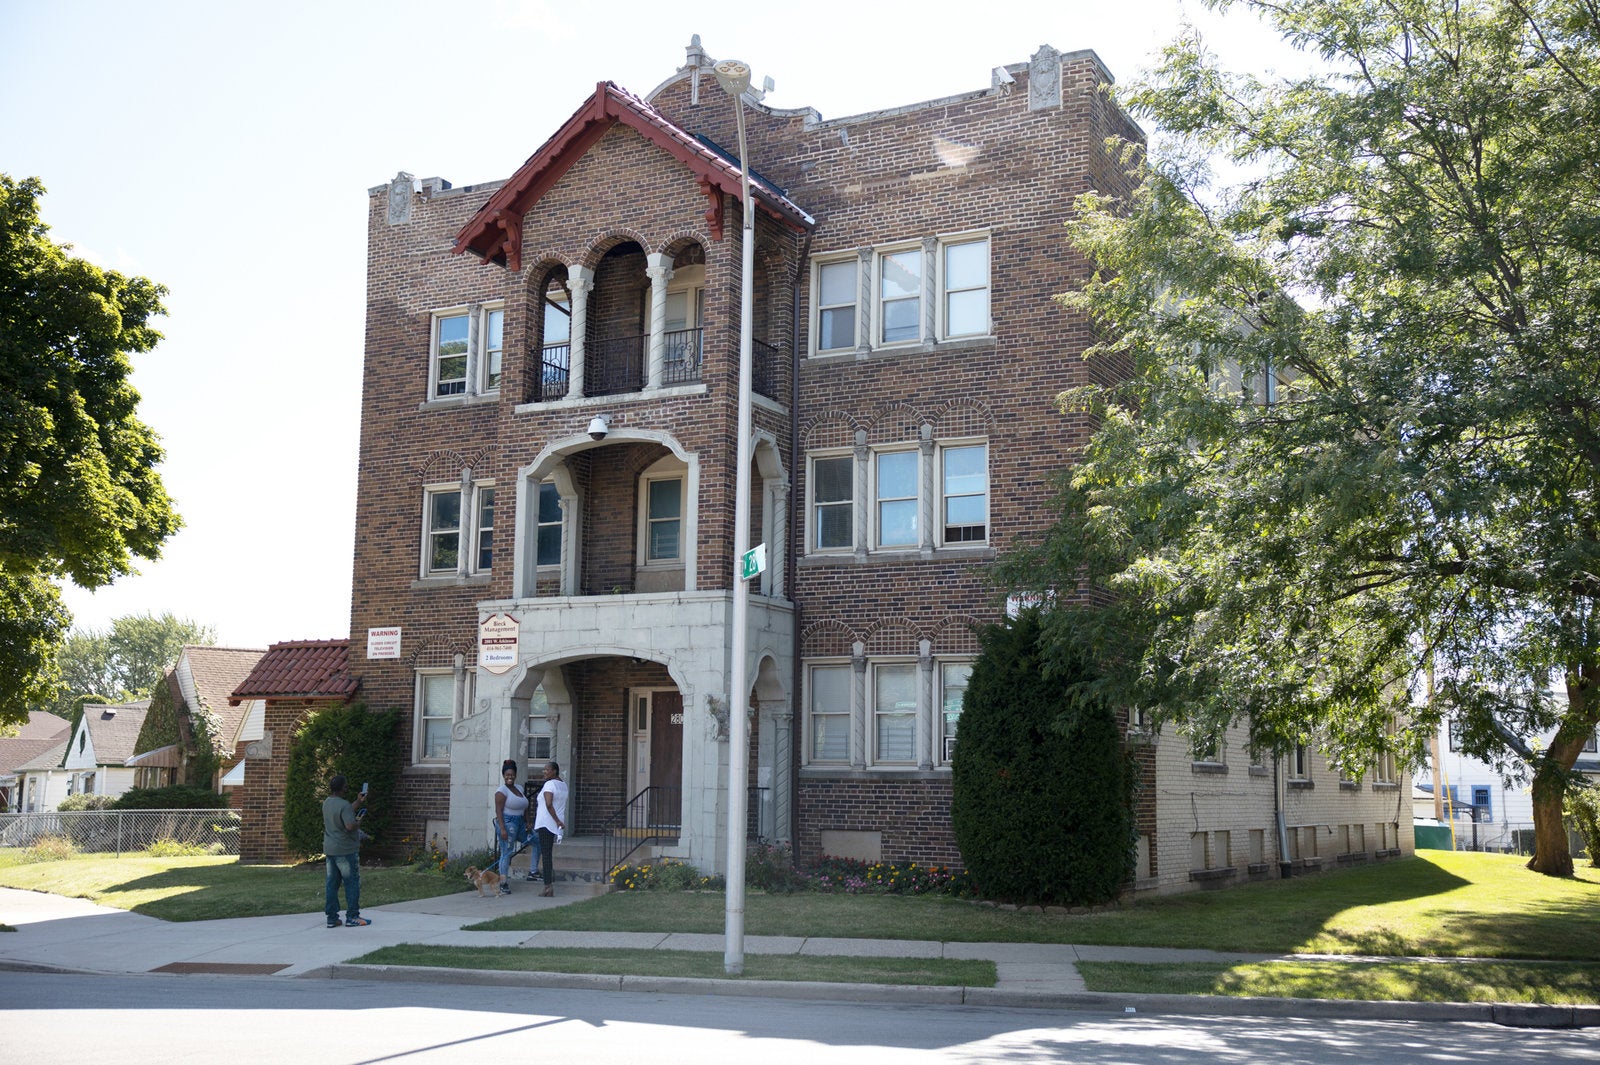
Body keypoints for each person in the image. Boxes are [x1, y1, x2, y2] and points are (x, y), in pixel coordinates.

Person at [322, 774, 369, 927]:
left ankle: (332, 918)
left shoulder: (327, 803)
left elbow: (344, 811)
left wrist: (358, 802)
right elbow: (349, 825)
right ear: (344, 788)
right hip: (346, 850)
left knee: (332, 884)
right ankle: (353, 916)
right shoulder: (343, 804)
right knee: (351, 883)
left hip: (331, 849)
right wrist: (358, 822)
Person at [492, 758, 529, 895]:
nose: (510, 777)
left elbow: (525, 807)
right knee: (506, 852)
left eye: (512, 774)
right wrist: (502, 828)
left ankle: (533, 872)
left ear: (515, 775)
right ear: (503, 775)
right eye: (507, 775)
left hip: (520, 823)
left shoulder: (519, 788)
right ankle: (503, 883)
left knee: (535, 840)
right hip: (507, 824)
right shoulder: (501, 791)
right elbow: (498, 811)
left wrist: (528, 821)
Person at [531, 760, 567, 897]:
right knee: (547, 854)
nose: (544, 772)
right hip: (554, 825)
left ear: (554, 771)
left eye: (547, 770)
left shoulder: (549, 784)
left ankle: (548, 887)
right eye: (544, 770)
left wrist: (557, 820)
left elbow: (548, 804)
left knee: (546, 855)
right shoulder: (563, 785)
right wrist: (558, 822)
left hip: (546, 824)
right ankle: (548, 885)